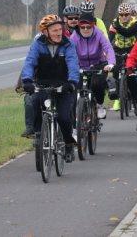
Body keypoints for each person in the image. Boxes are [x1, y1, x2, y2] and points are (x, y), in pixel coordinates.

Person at [21, 14, 80, 163]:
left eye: (60, 29)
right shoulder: (37, 45)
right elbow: (29, 62)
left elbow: (73, 64)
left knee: (63, 117)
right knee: (33, 102)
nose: (59, 33)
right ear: (45, 32)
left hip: (64, 85)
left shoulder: (68, 45)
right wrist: (27, 80)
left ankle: (68, 143)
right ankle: (39, 134)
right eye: (54, 30)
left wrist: (72, 82)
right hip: (43, 83)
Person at [70, 13, 116, 119]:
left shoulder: (99, 34)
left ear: (93, 25)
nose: (85, 29)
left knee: (97, 84)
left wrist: (111, 63)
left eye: (88, 27)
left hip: (99, 64)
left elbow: (108, 48)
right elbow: (70, 54)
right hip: (81, 65)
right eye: (82, 27)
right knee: (75, 87)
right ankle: (77, 115)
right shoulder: (74, 37)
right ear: (79, 26)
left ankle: (99, 105)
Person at [108, 3, 137, 112]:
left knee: (131, 76)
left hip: (132, 48)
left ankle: (136, 101)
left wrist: (136, 53)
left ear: (130, 14)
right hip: (118, 48)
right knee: (115, 71)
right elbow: (109, 40)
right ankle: (118, 95)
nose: (124, 17)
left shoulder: (135, 23)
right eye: (121, 15)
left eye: (126, 14)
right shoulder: (114, 23)